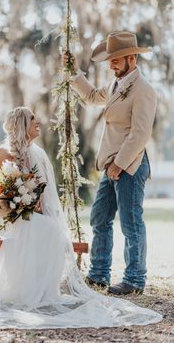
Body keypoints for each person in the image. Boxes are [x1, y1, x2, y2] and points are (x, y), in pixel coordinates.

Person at [0, 107, 161, 328]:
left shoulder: (37, 153)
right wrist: (8, 200)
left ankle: (42, 290)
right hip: (12, 217)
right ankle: (28, 289)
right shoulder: (3, 153)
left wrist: (37, 205)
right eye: (33, 118)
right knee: (43, 229)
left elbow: (45, 193)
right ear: (22, 124)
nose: (38, 121)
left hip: (33, 215)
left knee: (52, 229)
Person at [62, 31, 157, 295]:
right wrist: (73, 71)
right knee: (100, 218)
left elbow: (140, 133)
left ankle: (135, 279)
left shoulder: (144, 90)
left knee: (131, 223)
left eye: (116, 59)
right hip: (110, 165)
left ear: (132, 59)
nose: (111, 63)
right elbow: (92, 96)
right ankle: (98, 275)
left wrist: (120, 164)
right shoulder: (116, 85)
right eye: (110, 59)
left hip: (130, 165)